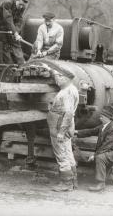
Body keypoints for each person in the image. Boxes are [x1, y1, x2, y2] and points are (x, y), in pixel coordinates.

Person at [75, 106, 113, 191]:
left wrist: (95, 155)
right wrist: (77, 132)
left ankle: (101, 184)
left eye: (102, 116)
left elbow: (106, 146)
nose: (100, 117)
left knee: (99, 158)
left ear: (108, 118)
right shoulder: (103, 126)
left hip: (112, 154)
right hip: (105, 152)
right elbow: (91, 131)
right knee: (99, 170)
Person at [42, 61, 79, 191]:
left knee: (61, 154)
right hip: (64, 124)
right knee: (68, 153)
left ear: (66, 78)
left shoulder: (67, 93)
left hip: (60, 125)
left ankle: (66, 184)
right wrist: (50, 69)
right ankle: (74, 181)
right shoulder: (69, 88)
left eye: (59, 76)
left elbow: (68, 113)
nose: (57, 79)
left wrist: (61, 132)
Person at [0, 0, 30, 64]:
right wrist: (15, 33)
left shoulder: (22, 7)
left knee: (16, 42)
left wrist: (17, 32)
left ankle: (22, 64)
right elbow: (8, 18)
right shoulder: (8, 3)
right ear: (17, 0)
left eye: (23, 5)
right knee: (4, 43)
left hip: (9, 25)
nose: (21, 7)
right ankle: (9, 65)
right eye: (20, 5)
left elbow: (19, 20)